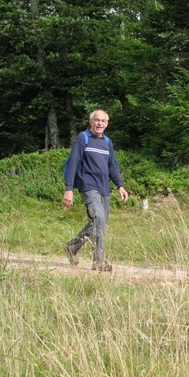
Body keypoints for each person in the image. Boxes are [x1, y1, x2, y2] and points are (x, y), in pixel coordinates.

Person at [62, 110, 129, 271]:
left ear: (107, 124)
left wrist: (120, 185)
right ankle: (99, 261)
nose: (100, 123)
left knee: (99, 221)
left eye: (103, 121)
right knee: (98, 217)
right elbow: (73, 164)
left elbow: (112, 165)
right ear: (90, 122)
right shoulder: (82, 139)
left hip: (103, 187)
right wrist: (69, 189)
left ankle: (72, 246)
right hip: (88, 184)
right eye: (97, 120)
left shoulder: (107, 142)